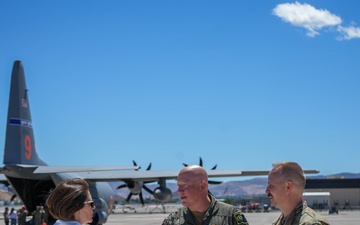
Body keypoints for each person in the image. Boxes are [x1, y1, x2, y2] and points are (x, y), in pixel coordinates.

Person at [162, 165, 249, 225]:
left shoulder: (231, 216)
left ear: (202, 186)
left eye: (185, 185)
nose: (179, 191)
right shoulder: (173, 220)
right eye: (179, 186)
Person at [265, 162, 329, 225]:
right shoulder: (280, 222)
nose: (266, 191)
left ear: (288, 187)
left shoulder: (309, 223)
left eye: (271, 185)